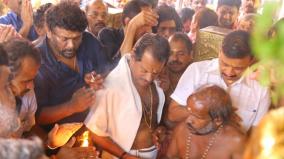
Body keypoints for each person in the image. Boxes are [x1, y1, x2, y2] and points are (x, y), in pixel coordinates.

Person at [84, 33, 170, 159]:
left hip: (153, 153)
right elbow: (95, 131)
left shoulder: (159, 83)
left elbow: (152, 119)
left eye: (155, 72)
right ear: (133, 56)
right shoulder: (110, 85)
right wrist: (124, 156)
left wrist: (160, 130)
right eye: (144, 70)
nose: (149, 78)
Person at [168, 30, 271, 133]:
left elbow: (256, 134)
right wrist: (211, 113)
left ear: (251, 60)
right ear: (220, 51)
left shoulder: (260, 88)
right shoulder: (197, 71)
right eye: (224, 64)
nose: (229, 72)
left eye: (238, 68)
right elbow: (173, 114)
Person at [34, 2, 110, 132]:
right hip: (60, 137)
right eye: (64, 39)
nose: (71, 45)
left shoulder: (89, 41)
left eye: (76, 38)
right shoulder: (37, 63)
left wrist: (98, 78)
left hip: (96, 124)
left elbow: (107, 70)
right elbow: (36, 116)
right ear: (49, 32)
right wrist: (71, 106)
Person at [166, 85, 245, 159]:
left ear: (218, 120)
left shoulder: (235, 141)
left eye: (197, 117)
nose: (188, 120)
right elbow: (169, 157)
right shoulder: (182, 129)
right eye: (189, 112)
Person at [98, 0, 158, 65]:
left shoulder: (148, 40)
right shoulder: (107, 34)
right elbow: (115, 70)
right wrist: (132, 27)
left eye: (150, 24)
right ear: (128, 22)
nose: (148, 30)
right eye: (144, 24)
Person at [3, 38, 41, 138]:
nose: (31, 86)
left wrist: (48, 143)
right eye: (25, 81)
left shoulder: (27, 92)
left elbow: (30, 126)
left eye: (32, 79)